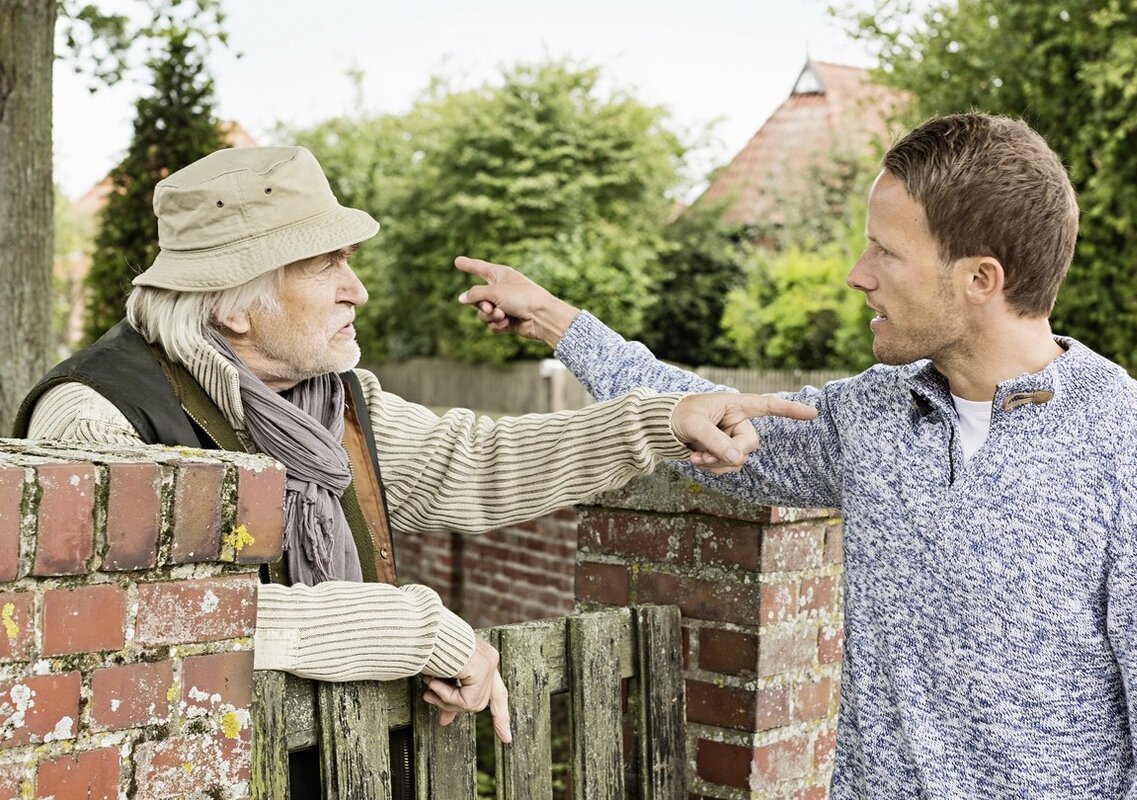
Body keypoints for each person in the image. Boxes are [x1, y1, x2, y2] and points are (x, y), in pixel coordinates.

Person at [456, 113, 1137, 797]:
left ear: (981, 279)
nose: (857, 273)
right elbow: (709, 417)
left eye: (886, 251)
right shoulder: (873, 414)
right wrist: (559, 322)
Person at [13, 145, 814, 749]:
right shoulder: (96, 416)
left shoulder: (331, 402)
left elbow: (475, 462)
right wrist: (414, 628)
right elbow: (141, 618)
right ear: (235, 307)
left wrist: (659, 422)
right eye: (326, 265)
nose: (356, 289)